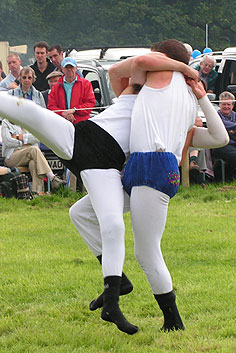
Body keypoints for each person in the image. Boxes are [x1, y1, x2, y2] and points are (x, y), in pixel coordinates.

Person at [0, 49, 228, 334]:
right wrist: (187, 70)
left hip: (104, 165)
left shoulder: (169, 106)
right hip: (81, 136)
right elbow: (132, 67)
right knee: (28, 112)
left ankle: (114, 298)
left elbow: (209, 135)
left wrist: (195, 90)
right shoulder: (139, 86)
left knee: (112, 225)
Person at [110, 39, 228, 332]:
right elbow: (219, 139)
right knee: (83, 213)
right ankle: (114, 276)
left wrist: (184, 69)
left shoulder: (162, 74)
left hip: (151, 164)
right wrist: (201, 97)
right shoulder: (187, 98)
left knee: (147, 252)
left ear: (161, 57)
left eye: (154, 53)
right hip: (153, 166)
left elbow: (120, 69)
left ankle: (173, 320)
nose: (148, 56)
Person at [48, 57, 95, 124]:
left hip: (82, 124)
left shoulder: (86, 84)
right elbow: (51, 106)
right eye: (67, 68)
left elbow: (90, 103)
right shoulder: (56, 86)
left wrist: (74, 110)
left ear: (76, 68)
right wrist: (63, 113)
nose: (69, 70)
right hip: (62, 123)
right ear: (62, 69)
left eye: (71, 67)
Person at [212, 91, 236, 174]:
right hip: (221, 145)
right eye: (224, 104)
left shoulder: (235, 116)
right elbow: (221, 125)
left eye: (228, 104)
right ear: (219, 105)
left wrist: (230, 130)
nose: (226, 106)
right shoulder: (215, 116)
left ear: (232, 106)